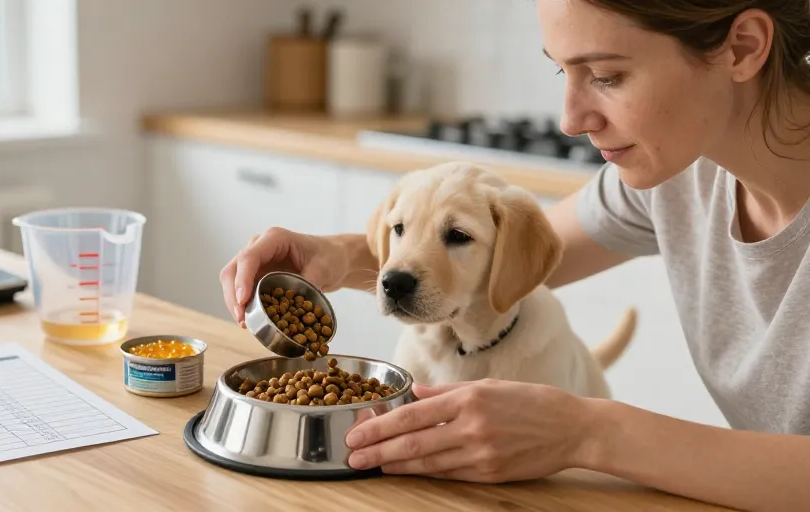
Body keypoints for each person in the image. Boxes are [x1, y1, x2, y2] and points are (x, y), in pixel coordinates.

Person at [220, 1, 810, 510]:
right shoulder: (680, 179)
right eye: (562, 70)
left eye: (606, 75)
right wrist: (336, 253)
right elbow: (504, 261)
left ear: (743, 47)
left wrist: (587, 432)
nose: (570, 119)